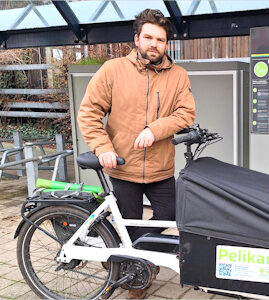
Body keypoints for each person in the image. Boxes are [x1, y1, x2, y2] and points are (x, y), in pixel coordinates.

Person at [77, 8, 196, 299]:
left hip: (161, 168)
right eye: (148, 37)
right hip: (122, 167)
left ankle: (127, 257)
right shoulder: (113, 70)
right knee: (129, 223)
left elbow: (186, 113)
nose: (154, 43)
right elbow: (89, 112)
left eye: (160, 39)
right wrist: (103, 148)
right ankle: (134, 283)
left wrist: (156, 130)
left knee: (173, 213)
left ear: (167, 44)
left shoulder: (177, 75)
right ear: (137, 39)